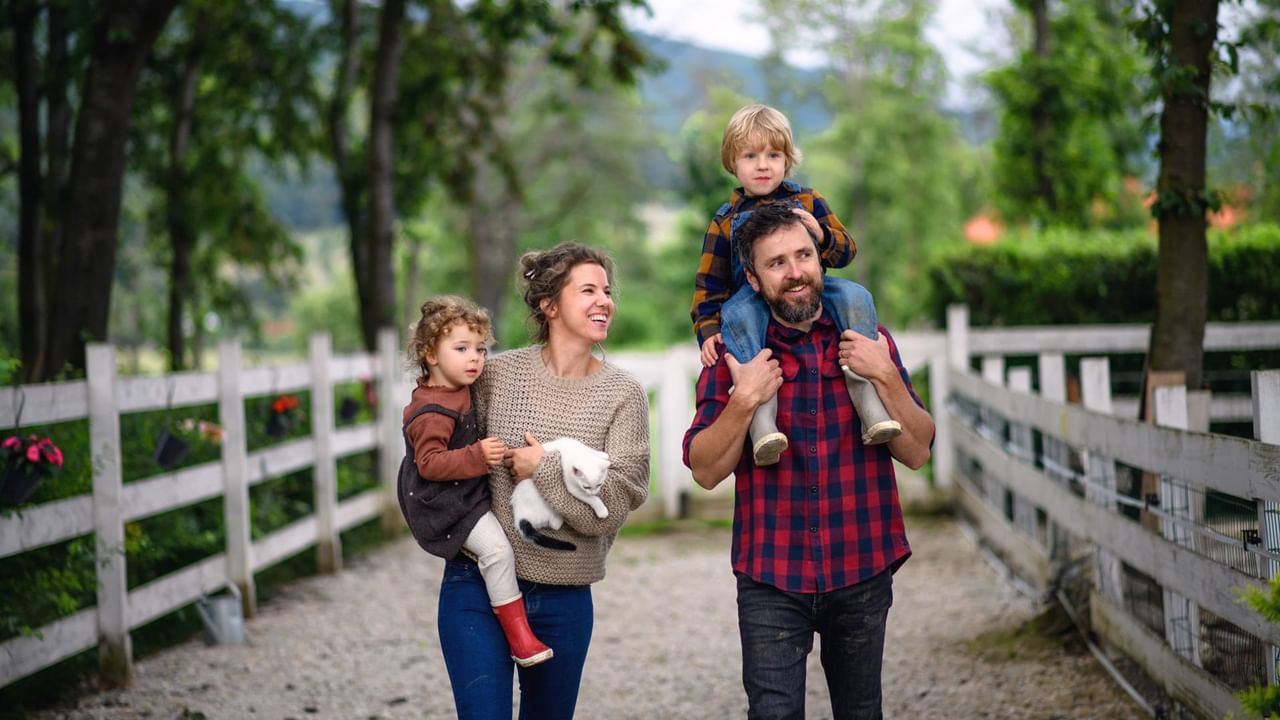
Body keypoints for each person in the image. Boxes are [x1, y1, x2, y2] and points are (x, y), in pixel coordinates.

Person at [683, 203, 934, 720]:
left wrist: (885, 376)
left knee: (860, 711)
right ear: (752, 278)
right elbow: (705, 470)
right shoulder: (736, 352)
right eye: (777, 263)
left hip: (862, 565)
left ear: (820, 259)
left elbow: (917, 450)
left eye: (803, 256)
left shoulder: (868, 339)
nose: (795, 272)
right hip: (771, 574)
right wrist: (744, 400)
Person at [439, 242, 651, 719]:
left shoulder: (623, 394)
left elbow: (618, 501)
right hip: (476, 587)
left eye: (607, 291)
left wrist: (545, 471)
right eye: (588, 290)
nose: (604, 300)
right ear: (549, 305)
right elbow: (436, 445)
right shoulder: (494, 376)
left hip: (566, 597)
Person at [690, 103, 901, 467]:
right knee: (736, 318)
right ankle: (763, 423)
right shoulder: (725, 221)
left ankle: (867, 399)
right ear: (732, 164)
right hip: (752, 299)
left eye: (773, 155)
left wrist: (820, 235)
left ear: (787, 161)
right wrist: (707, 330)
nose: (762, 164)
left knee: (857, 295)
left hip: (811, 288)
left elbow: (846, 251)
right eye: (751, 155)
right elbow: (709, 285)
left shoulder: (808, 200)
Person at [399, 295, 553, 668]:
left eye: (481, 349)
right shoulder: (431, 412)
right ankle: (520, 639)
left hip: (463, 492)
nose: (476, 359)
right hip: (446, 504)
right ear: (431, 355)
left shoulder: (457, 388)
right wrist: (477, 457)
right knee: (497, 552)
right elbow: (430, 464)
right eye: (462, 348)